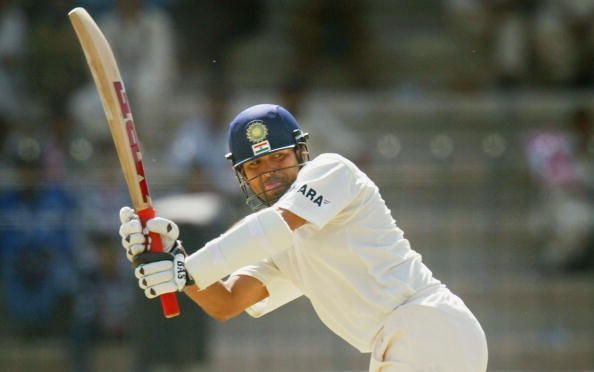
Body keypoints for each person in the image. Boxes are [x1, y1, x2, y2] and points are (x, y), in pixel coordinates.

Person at [118, 104, 488, 371]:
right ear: (242, 176)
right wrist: (172, 256)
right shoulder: (281, 248)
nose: (268, 173)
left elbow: (273, 225)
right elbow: (227, 302)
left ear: (300, 153)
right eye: (255, 166)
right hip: (399, 344)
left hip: (428, 325)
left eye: (278, 158)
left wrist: (187, 270)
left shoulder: (333, 172)